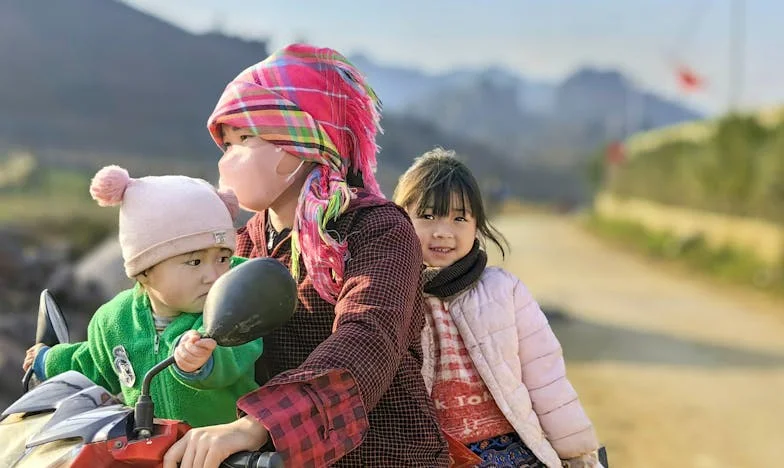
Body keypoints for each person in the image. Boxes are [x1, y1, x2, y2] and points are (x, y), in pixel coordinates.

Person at [162, 43, 450, 468]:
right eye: (226, 145)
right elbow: (177, 311)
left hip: (380, 452)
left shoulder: (377, 229)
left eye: (244, 138)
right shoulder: (242, 242)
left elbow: (367, 337)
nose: (229, 160)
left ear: (297, 144)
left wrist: (256, 425)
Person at [393, 148, 605, 468]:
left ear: (477, 225)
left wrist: (576, 453)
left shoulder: (504, 291)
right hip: (429, 454)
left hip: (510, 450)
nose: (442, 231)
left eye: (459, 218)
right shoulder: (390, 294)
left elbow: (547, 380)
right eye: (427, 215)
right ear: (399, 217)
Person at [22, 165, 262, 428]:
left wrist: (199, 362)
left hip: (220, 452)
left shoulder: (233, 308)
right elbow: (92, 363)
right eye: (194, 262)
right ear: (144, 270)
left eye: (222, 258)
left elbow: (232, 357)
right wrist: (47, 361)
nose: (213, 275)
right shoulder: (116, 319)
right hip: (146, 452)